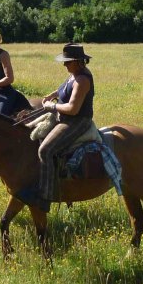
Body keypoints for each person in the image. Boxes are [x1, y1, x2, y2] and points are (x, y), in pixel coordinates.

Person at [30, 43, 95, 210]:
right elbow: (65, 89)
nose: (64, 64)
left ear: (78, 61)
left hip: (77, 121)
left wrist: (52, 107)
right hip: (65, 118)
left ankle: (46, 196)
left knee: (45, 150)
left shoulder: (82, 80)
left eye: (67, 61)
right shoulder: (74, 74)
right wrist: (54, 94)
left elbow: (73, 109)